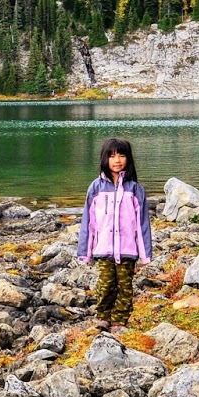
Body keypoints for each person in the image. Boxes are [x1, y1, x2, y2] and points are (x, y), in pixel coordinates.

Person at [75, 137, 153, 330]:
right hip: (104, 249)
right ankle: (103, 317)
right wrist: (85, 252)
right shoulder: (96, 188)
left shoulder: (135, 190)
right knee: (105, 285)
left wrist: (145, 255)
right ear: (104, 159)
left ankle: (119, 321)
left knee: (125, 288)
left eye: (121, 155)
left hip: (128, 250)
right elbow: (89, 222)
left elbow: (142, 224)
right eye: (112, 156)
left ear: (128, 159)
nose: (117, 160)